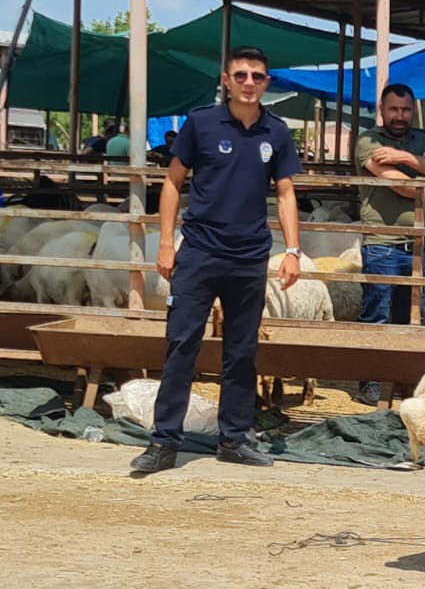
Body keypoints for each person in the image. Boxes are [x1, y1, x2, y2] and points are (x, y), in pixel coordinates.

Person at [129, 47, 303, 475]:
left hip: (249, 256)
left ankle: (235, 438)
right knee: (181, 345)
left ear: (267, 82)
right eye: (240, 75)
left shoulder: (277, 131)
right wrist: (166, 243)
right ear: (226, 79)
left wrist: (293, 250)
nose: (249, 83)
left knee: (241, 351)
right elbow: (173, 183)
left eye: (257, 76)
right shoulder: (201, 123)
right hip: (200, 253)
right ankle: (164, 441)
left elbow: (285, 193)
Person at [353, 82, 425, 403]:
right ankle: (370, 381)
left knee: (413, 316)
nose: (400, 115)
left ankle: (405, 379)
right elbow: (392, 180)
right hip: (382, 241)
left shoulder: (419, 140)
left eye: (406, 109)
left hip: (417, 244)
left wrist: (405, 156)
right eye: (394, 109)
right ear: (381, 109)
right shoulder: (368, 141)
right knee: (376, 314)